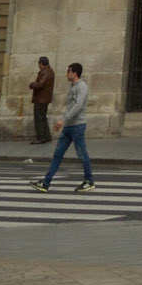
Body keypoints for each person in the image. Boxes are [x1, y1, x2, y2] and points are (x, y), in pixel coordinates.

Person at [34, 63, 92, 191]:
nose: (66, 74)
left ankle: (89, 181)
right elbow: (71, 106)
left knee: (82, 155)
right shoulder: (73, 86)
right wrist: (62, 122)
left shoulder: (81, 86)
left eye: (68, 71)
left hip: (77, 126)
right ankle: (46, 182)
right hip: (69, 127)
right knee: (57, 154)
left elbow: (78, 106)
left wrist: (63, 120)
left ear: (74, 73)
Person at [28, 58, 54, 145]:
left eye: (39, 64)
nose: (39, 66)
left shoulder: (45, 72)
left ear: (42, 64)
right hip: (45, 99)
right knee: (43, 117)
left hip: (41, 99)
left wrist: (32, 84)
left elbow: (40, 84)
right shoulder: (50, 71)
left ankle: (41, 137)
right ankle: (47, 136)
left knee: (39, 118)